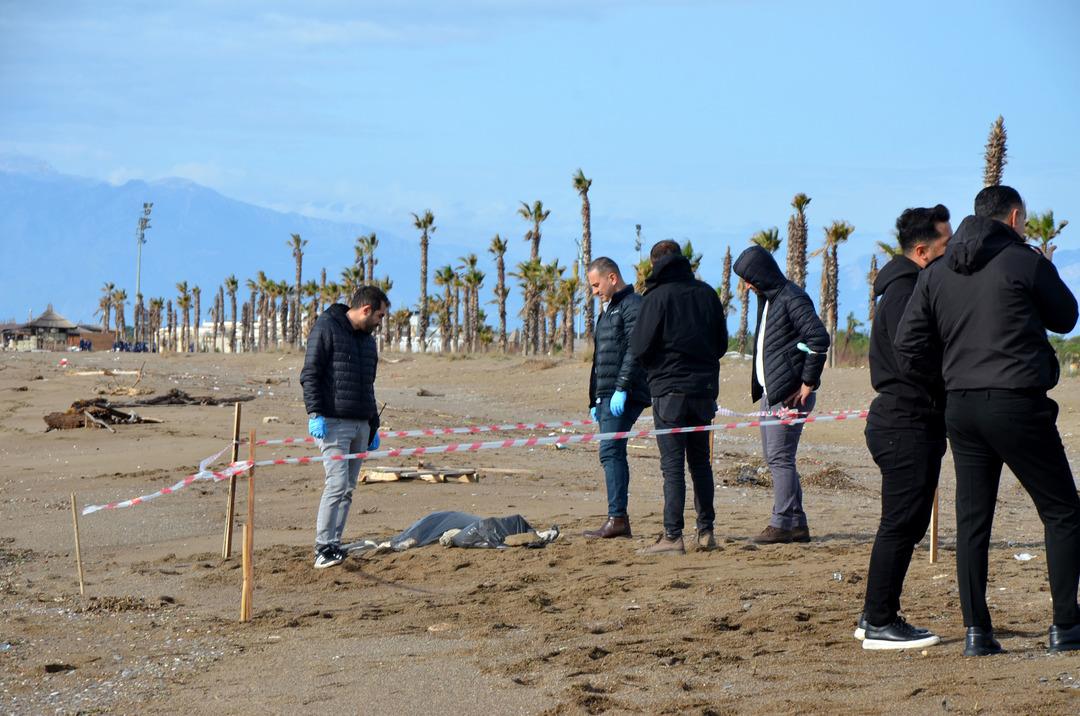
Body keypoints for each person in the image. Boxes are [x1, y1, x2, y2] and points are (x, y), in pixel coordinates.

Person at [895, 185, 1080, 656]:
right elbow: (1066, 317)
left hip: (962, 404)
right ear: (1015, 218)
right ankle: (1065, 627)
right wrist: (1042, 268)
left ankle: (978, 632)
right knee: (1061, 510)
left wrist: (944, 381)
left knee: (972, 520)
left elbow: (907, 344)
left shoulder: (937, 272)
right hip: (1018, 400)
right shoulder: (1025, 262)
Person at [857, 205, 952, 651]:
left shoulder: (905, 287)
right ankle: (880, 620)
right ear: (922, 250)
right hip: (904, 421)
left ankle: (872, 614)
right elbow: (912, 357)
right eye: (946, 246)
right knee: (900, 524)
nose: (953, 253)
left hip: (907, 419)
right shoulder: (906, 291)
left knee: (904, 524)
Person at [629, 240, 728, 555]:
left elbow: (640, 346)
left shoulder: (656, 298)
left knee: (672, 465)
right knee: (701, 463)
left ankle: (673, 535)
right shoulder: (706, 294)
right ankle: (706, 531)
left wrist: (658, 369)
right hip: (703, 390)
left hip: (669, 391)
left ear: (655, 263)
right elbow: (722, 343)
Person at [732, 245, 829, 544]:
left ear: (760, 274)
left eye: (749, 278)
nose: (747, 285)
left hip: (790, 395)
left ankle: (782, 522)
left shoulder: (792, 297)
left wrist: (807, 383)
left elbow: (819, 338)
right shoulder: (770, 299)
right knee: (777, 456)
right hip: (771, 393)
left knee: (779, 457)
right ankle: (797, 523)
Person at [300, 285, 390, 569]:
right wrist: (315, 413)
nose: (380, 322)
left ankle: (335, 544)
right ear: (366, 310)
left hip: (361, 424)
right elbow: (310, 373)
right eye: (380, 315)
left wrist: (373, 427)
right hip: (333, 423)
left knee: (348, 488)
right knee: (336, 484)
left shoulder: (367, 342)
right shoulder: (327, 327)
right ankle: (322, 548)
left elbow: (368, 385)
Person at [583, 257, 651, 539]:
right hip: (606, 394)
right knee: (610, 451)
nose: (594, 291)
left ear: (612, 278)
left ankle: (617, 519)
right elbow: (600, 359)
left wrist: (622, 387)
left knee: (610, 451)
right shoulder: (607, 311)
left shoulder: (632, 305)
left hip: (624, 391)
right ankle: (617, 518)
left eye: (596, 285)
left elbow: (635, 349)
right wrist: (593, 400)